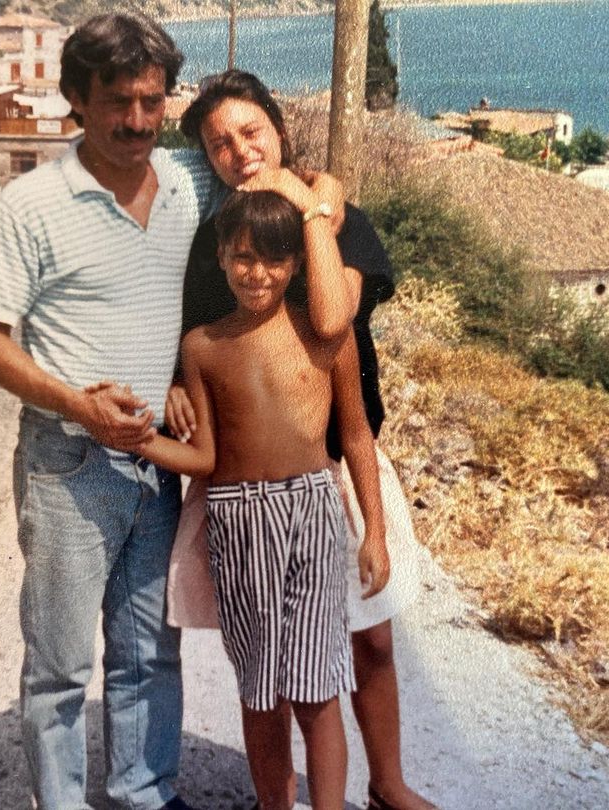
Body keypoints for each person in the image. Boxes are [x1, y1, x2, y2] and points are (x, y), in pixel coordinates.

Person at [0, 14, 227, 810]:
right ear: (77, 98)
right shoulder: (32, 203)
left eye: (153, 100)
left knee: (150, 652)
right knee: (60, 665)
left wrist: (178, 373)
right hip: (68, 463)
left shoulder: (191, 179)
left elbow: (278, 177)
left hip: (159, 461)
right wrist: (79, 404)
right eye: (118, 101)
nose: (139, 121)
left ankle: (145, 793)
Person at [169, 70, 436, 810]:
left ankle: (387, 784)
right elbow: (195, 338)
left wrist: (314, 204)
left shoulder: (346, 223)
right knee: (274, 664)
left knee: (371, 636)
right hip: (255, 480)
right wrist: (172, 383)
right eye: (219, 144)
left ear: (280, 131)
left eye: (250, 131)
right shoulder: (218, 242)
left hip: (341, 463)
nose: (239, 151)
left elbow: (328, 318)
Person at [133, 189, 390, 810]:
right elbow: (205, 458)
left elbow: (357, 436)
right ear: (222, 257)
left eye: (274, 259)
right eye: (243, 257)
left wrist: (375, 533)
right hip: (236, 518)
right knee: (259, 691)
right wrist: (139, 440)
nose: (258, 273)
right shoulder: (202, 347)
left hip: (312, 512)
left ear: (296, 264)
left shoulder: (327, 338)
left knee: (317, 690)